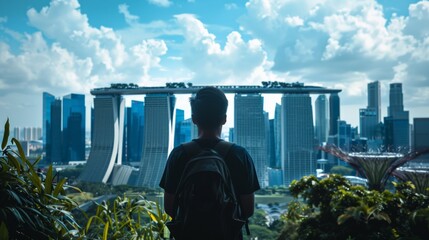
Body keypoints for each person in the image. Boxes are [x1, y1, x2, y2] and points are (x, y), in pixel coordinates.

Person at [159, 86, 260, 239]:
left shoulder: (179, 154)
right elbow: (248, 210)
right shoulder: (239, 155)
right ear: (224, 119)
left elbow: (170, 208)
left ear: (194, 119)